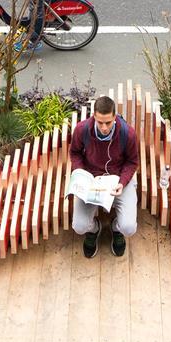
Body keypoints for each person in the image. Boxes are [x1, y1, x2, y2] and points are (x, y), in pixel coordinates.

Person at [69, 96, 140, 258]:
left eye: (108, 122)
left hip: (119, 179)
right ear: (94, 116)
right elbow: (74, 153)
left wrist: (122, 182)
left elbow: (132, 162)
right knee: (79, 226)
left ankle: (116, 228)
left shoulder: (127, 133)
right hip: (92, 181)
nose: (104, 127)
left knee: (129, 228)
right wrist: (81, 174)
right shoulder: (82, 130)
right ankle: (94, 229)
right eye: (100, 122)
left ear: (114, 117)